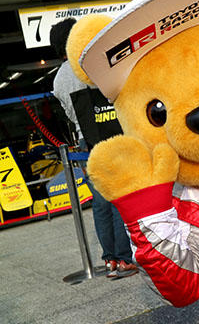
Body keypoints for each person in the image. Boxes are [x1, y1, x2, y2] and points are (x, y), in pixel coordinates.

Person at [51, 18, 138, 278]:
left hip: (83, 143)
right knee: (119, 199)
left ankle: (110, 259)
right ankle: (124, 259)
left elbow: (70, 114)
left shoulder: (58, 80)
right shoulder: (91, 66)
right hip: (110, 138)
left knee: (100, 204)